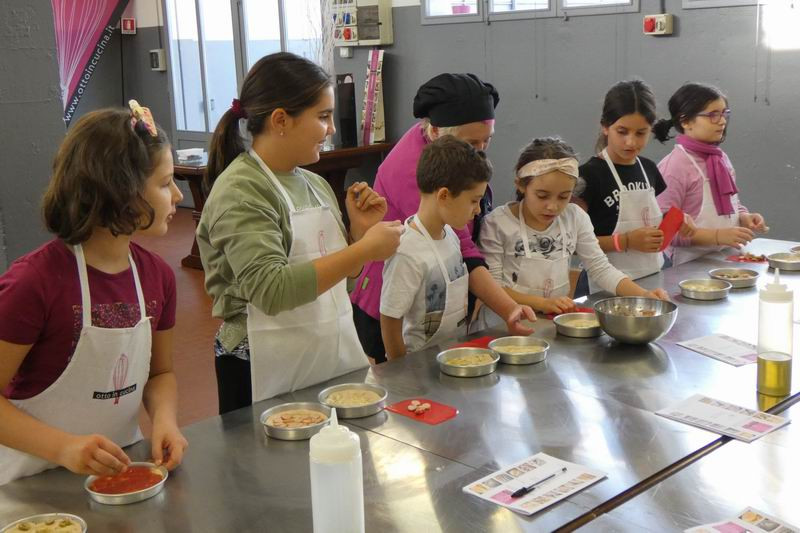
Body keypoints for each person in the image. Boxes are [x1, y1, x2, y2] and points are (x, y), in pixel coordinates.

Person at [197, 53, 403, 414]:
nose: (332, 130)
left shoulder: (315, 184)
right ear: (280, 120)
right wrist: (364, 251)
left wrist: (358, 233)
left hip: (323, 353)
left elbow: (343, 285)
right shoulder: (242, 190)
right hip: (260, 364)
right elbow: (271, 291)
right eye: (323, 117)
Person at [0, 103, 188, 485]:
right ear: (123, 191)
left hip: (118, 474)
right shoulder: (33, 283)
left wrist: (165, 421)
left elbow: (161, 373)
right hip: (29, 483)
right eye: (165, 183)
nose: (178, 196)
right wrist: (63, 448)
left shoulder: (157, 278)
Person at [351, 73, 535, 361]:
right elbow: (466, 251)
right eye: (472, 142)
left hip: (439, 303)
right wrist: (506, 307)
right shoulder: (413, 172)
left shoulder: (449, 155)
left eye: (487, 140)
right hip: (395, 311)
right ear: (437, 133)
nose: (481, 150)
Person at [478, 137, 669, 318]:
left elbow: (601, 269)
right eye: (542, 196)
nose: (553, 206)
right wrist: (540, 303)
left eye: (563, 196)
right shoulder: (497, 224)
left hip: (554, 319)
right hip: (505, 322)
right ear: (520, 185)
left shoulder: (575, 217)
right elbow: (494, 288)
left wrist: (643, 295)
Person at [574, 80, 690, 294]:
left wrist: (675, 223)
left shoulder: (649, 169)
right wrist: (625, 241)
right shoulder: (587, 175)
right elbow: (572, 243)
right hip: (602, 287)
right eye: (622, 131)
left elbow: (651, 221)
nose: (630, 142)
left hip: (652, 277)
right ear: (605, 126)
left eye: (640, 133)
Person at [381, 137, 491, 358]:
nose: (478, 210)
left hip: (452, 354)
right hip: (419, 363)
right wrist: (401, 371)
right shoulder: (408, 252)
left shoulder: (450, 234)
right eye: (473, 201)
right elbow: (390, 319)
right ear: (444, 196)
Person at [653, 82, 767, 265]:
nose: (722, 121)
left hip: (726, 257)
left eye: (724, 114)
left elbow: (732, 203)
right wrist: (716, 236)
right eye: (713, 115)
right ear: (685, 121)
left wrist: (744, 217)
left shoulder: (721, 158)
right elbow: (664, 232)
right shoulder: (674, 167)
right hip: (687, 265)